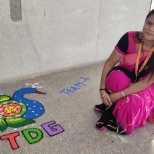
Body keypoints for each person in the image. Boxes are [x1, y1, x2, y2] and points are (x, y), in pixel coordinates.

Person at [94, 9, 154, 135]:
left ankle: (118, 108)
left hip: (146, 85)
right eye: (149, 23)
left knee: (133, 102)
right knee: (115, 77)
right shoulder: (130, 38)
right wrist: (102, 90)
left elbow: (146, 82)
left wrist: (119, 95)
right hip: (126, 77)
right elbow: (110, 63)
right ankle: (116, 106)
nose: (151, 29)